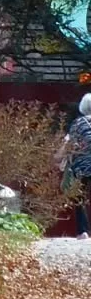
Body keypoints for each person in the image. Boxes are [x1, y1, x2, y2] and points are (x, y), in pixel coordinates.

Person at [55, 94, 91, 238]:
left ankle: (83, 231)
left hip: (80, 166)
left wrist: (58, 157)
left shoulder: (77, 124)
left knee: (78, 197)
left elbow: (68, 143)